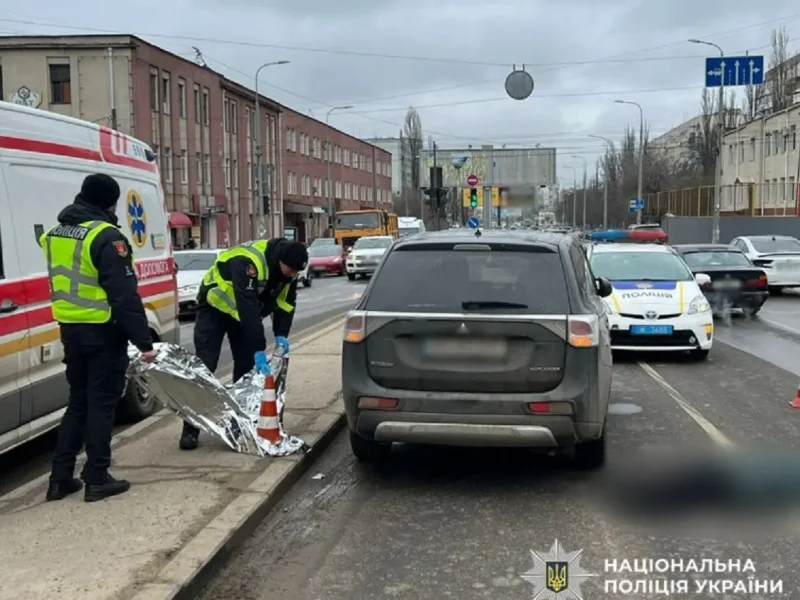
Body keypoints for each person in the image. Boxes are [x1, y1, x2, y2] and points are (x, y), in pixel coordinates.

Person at [41, 174, 158, 503]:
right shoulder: (107, 236)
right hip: (103, 331)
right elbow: (124, 296)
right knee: (103, 405)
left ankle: (59, 479)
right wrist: (144, 344)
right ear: (110, 202)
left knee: (78, 402)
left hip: (70, 330)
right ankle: (97, 476)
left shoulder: (55, 233)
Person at [178, 237, 309, 450]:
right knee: (205, 367)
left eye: (296, 272)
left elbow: (286, 303)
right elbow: (248, 307)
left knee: (245, 369)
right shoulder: (248, 262)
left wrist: (281, 334)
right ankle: (190, 428)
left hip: (242, 316)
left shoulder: (288, 272)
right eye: (290, 271)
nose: (292, 276)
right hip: (214, 308)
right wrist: (259, 348)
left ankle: (236, 426)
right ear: (280, 261)